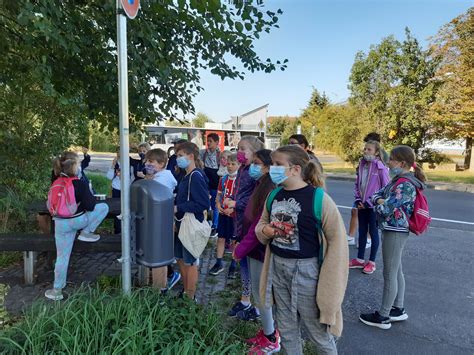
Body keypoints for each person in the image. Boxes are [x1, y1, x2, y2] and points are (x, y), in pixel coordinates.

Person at [255, 145, 349, 355]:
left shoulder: (319, 199)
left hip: (307, 273)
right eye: (272, 164)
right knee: (287, 329)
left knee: (318, 331)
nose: (273, 169)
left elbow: (337, 241)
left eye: (279, 165)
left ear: (296, 169)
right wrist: (266, 231)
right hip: (278, 269)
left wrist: (332, 281)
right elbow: (261, 224)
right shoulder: (274, 195)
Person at [360, 145, 426, 330]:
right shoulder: (398, 181)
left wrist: (380, 202)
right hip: (394, 229)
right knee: (396, 270)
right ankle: (398, 308)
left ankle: (383, 315)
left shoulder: (404, 184)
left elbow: (385, 207)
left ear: (402, 163)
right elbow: (376, 196)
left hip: (395, 230)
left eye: (392, 159)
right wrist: (380, 200)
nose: (388, 162)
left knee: (389, 273)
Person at [233, 149, 281, 352]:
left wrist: (241, 248)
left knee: (262, 295)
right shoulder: (261, 184)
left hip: (259, 248)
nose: (252, 167)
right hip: (253, 248)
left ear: (268, 167)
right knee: (258, 292)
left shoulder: (269, 188)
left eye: (257, 163)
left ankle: (271, 338)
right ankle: (268, 330)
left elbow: (257, 225)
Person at [45, 152, 109, 301]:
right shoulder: (79, 183)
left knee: (62, 257)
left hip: (60, 223)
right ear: (74, 166)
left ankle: (57, 290)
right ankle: (87, 232)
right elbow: (91, 205)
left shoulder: (55, 181)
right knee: (103, 207)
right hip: (77, 221)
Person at [224, 136, 265, 318]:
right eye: (238, 148)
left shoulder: (254, 172)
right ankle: (245, 299)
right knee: (244, 265)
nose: (239, 152)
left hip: (249, 224)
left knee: (252, 266)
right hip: (239, 222)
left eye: (244, 149)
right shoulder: (243, 169)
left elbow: (254, 198)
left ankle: (254, 304)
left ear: (255, 153)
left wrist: (236, 203)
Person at [174, 142, 210, 300]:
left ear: (191, 156)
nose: (178, 159)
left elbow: (203, 203)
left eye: (180, 155)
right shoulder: (186, 175)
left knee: (190, 261)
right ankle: (185, 290)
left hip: (190, 223)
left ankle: (190, 296)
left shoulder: (196, 176)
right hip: (181, 222)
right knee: (181, 258)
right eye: (177, 156)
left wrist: (178, 207)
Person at [349, 140, 390, 274]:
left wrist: (370, 202)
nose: (366, 152)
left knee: (372, 233)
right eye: (365, 149)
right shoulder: (361, 165)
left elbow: (386, 189)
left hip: (373, 207)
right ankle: (360, 260)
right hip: (361, 206)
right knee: (361, 231)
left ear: (377, 152)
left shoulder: (380, 167)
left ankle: (371, 262)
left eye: (369, 150)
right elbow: (357, 184)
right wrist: (358, 200)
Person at [143, 148, 179, 292]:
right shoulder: (158, 176)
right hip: (157, 220)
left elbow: (150, 195)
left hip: (160, 221)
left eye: (151, 161)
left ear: (162, 163)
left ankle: (161, 287)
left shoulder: (162, 179)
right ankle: (164, 280)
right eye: (146, 161)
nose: (147, 164)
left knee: (159, 253)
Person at [209, 153, 239, 276]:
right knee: (221, 238)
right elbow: (219, 195)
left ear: (239, 165)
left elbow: (242, 199)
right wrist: (218, 205)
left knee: (234, 240)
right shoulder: (223, 179)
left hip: (234, 215)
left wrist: (233, 210)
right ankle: (219, 262)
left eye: (233, 164)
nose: (230, 166)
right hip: (223, 213)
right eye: (228, 163)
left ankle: (233, 263)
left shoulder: (241, 180)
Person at [106, 148, 135, 234]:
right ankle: (117, 230)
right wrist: (112, 165)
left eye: (121, 152)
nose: (119, 155)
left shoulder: (130, 163)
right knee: (117, 210)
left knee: (127, 210)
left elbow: (133, 177)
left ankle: (127, 231)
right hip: (116, 189)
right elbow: (109, 177)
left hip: (127, 190)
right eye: (118, 153)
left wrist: (125, 179)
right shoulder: (115, 164)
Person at [200, 133, 221, 236]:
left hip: (216, 184)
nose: (208, 143)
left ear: (217, 143)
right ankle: (209, 223)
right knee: (207, 205)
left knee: (215, 206)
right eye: (207, 141)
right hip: (206, 183)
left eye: (210, 141)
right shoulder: (203, 153)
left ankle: (215, 226)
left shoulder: (220, 155)